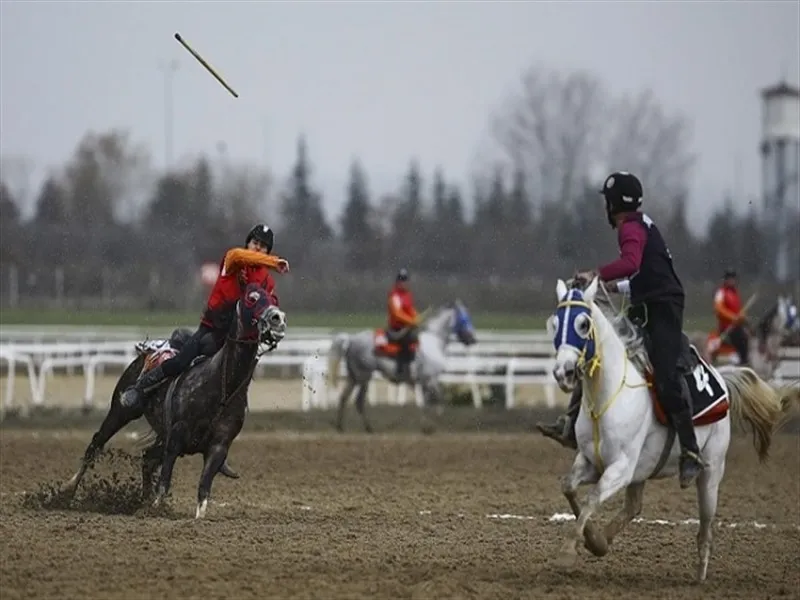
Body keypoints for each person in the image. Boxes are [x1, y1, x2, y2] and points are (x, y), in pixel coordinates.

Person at [536, 171, 704, 489]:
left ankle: (692, 451)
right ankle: (570, 424)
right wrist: (610, 287)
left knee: (666, 375)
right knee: (598, 356)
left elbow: (631, 261)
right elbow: (639, 274)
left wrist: (596, 274)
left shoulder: (631, 228)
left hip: (664, 309)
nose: (606, 208)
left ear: (614, 204)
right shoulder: (640, 226)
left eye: (606, 201)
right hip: (647, 305)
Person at [120, 224, 289, 412]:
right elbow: (243, 256)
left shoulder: (268, 281)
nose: (257, 248)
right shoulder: (233, 258)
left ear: (268, 249)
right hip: (210, 329)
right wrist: (273, 262)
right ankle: (139, 388)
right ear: (247, 243)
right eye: (255, 242)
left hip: (233, 337)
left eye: (263, 246)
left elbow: (270, 303)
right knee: (180, 362)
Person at [386, 268, 420, 380]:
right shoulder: (394, 295)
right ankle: (400, 369)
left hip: (407, 327)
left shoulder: (407, 295)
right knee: (407, 340)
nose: (404, 283)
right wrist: (411, 321)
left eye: (405, 280)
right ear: (397, 282)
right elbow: (397, 313)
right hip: (397, 329)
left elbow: (410, 309)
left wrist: (416, 316)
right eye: (401, 280)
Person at [712, 268, 749, 366]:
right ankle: (743, 361)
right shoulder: (721, 293)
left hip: (736, 324)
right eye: (729, 279)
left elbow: (738, 309)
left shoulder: (735, 293)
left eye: (733, 279)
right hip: (727, 326)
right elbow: (718, 309)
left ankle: (745, 359)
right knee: (742, 339)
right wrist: (732, 317)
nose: (732, 281)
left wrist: (742, 316)